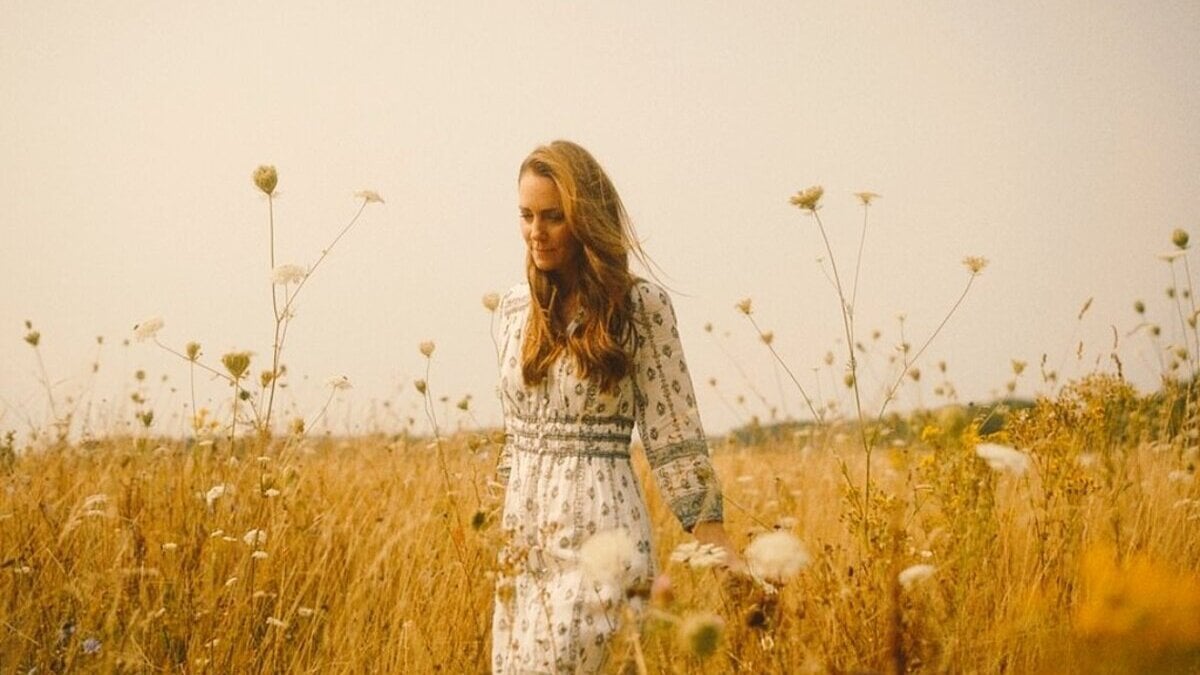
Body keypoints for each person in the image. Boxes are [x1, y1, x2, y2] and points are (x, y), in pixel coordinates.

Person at [490, 140, 744, 674]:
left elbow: (674, 435)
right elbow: (514, 439)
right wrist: (501, 527)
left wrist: (721, 551)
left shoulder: (640, 308)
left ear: (586, 220)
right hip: (523, 550)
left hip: (602, 541)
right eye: (527, 215)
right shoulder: (513, 308)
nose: (537, 231)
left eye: (554, 218)